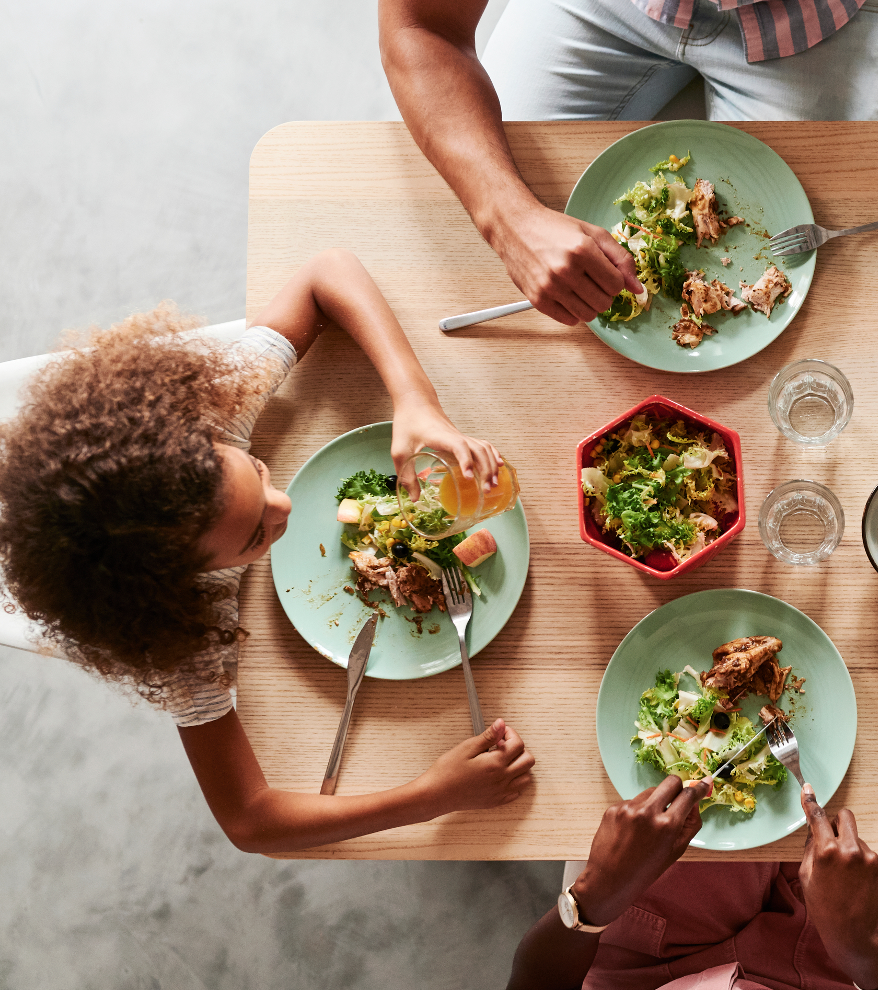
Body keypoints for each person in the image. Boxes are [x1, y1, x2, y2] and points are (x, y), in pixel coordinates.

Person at [0, 249, 535, 853]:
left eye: (257, 472)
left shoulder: (209, 418)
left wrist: (416, 398)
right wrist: (430, 796)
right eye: (255, 534)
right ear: (181, 579)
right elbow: (251, 822)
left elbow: (326, 272)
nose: (286, 506)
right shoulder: (182, 653)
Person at [378, 0, 878, 338]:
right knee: (480, 225)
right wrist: (507, 219)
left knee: (792, 310)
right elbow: (420, 24)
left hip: (822, 25)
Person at [507, 778, 878, 990]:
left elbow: (533, 984)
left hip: (650, 968)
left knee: (677, 801)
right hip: (839, 969)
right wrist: (864, 953)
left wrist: (593, 897)